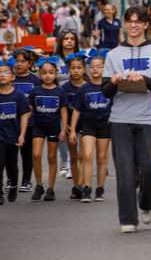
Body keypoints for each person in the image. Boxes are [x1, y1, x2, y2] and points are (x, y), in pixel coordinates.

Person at [102, 6, 151, 233]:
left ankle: (147, 203)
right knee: (125, 171)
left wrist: (143, 79)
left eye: (138, 21)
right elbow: (105, 91)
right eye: (129, 21)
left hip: (147, 118)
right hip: (120, 118)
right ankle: (127, 219)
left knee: (150, 167)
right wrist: (114, 81)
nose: (133, 25)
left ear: (145, 25)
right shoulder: (113, 55)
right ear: (124, 24)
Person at [75, 48, 112, 202]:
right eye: (92, 67)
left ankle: (100, 188)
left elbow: (117, 107)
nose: (95, 69)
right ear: (89, 69)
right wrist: (72, 130)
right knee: (88, 155)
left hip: (105, 126)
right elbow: (77, 110)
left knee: (102, 157)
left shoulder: (109, 87)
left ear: (104, 68)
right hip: (88, 125)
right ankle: (87, 188)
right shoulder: (84, 88)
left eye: (99, 66)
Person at [29, 57, 68, 201]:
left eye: (51, 72)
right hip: (38, 127)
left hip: (53, 127)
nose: (47, 75)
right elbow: (30, 109)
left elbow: (63, 111)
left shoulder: (60, 91)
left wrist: (63, 129)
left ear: (56, 74)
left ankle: (50, 189)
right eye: (44, 72)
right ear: (40, 74)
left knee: (51, 157)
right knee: (36, 155)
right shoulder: (35, 91)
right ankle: (39, 185)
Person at [0, 58, 32, 204]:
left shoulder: (18, 95)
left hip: (13, 135)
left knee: (11, 164)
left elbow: (24, 114)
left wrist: (22, 134)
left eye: (6, 72)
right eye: (0, 73)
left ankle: (13, 185)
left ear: (13, 77)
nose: (2, 75)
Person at [10, 48, 40, 193]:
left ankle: (26, 180)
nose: (19, 64)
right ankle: (11, 179)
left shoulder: (36, 81)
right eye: (16, 61)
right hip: (10, 123)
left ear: (29, 63)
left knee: (27, 153)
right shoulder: (9, 79)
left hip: (30, 123)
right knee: (10, 154)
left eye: (22, 61)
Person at [62, 53, 87, 200]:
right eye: (73, 68)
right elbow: (63, 108)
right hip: (70, 125)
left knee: (83, 156)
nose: (76, 70)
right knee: (73, 156)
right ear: (68, 70)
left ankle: (82, 185)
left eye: (79, 68)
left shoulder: (88, 86)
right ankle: (76, 185)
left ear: (84, 69)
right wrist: (64, 124)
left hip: (85, 124)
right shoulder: (65, 88)